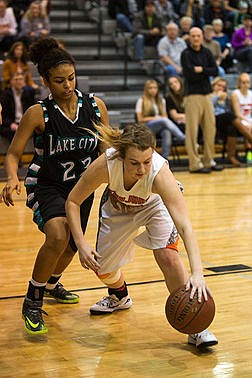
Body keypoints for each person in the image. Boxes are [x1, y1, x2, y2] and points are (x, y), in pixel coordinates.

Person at [65, 122, 218, 349]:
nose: (142, 169)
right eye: (134, 163)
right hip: (118, 207)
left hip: (154, 206)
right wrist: (81, 243)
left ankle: (196, 327)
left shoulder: (159, 173)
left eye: (147, 161)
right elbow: (73, 201)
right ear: (121, 156)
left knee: (167, 256)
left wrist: (197, 273)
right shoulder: (106, 164)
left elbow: (185, 226)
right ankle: (120, 296)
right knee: (103, 267)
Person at [0, 37, 109, 335]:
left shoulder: (96, 107)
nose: (68, 85)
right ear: (46, 81)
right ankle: (32, 300)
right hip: (48, 184)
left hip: (83, 187)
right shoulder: (39, 113)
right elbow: (13, 153)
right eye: (59, 81)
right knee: (58, 235)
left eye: (71, 78)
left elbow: (104, 153)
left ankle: (50, 284)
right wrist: (12, 179)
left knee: (73, 246)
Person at [181, 27, 223, 173]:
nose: (196, 38)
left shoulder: (207, 52)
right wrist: (205, 71)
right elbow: (189, 74)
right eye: (193, 36)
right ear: (190, 38)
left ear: (202, 37)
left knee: (211, 129)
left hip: (207, 95)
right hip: (192, 95)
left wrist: (201, 70)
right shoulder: (185, 54)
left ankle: (208, 160)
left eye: (198, 35)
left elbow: (215, 70)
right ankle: (194, 164)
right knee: (192, 131)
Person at [135, 79, 185, 159]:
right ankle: (183, 138)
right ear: (146, 89)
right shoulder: (141, 100)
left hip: (160, 126)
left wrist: (160, 119)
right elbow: (140, 119)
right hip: (146, 127)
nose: (153, 90)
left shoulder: (161, 100)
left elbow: (165, 117)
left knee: (166, 132)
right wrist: (155, 118)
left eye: (155, 88)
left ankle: (164, 158)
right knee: (163, 121)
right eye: (150, 88)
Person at [211, 76, 252, 166]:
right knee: (229, 115)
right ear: (214, 85)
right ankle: (250, 138)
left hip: (226, 122)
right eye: (219, 85)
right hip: (213, 119)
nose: (221, 88)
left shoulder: (225, 97)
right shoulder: (209, 95)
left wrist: (225, 100)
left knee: (232, 128)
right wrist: (217, 97)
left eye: (223, 87)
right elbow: (209, 107)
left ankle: (231, 156)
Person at [0, 71, 35, 144]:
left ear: (24, 81)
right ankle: (14, 154)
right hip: (11, 124)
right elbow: (3, 115)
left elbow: (32, 112)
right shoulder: (5, 94)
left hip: (24, 123)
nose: (19, 82)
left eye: (21, 79)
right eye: (16, 79)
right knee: (11, 132)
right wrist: (11, 124)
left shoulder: (28, 94)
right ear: (11, 81)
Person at [231, 72, 252, 163]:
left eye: (247, 82)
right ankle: (249, 153)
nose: (246, 85)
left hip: (249, 118)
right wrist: (249, 122)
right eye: (243, 82)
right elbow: (237, 113)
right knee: (248, 127)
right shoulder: (235, 94)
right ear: (239, 83)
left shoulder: (251, 94)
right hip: (240, 119)